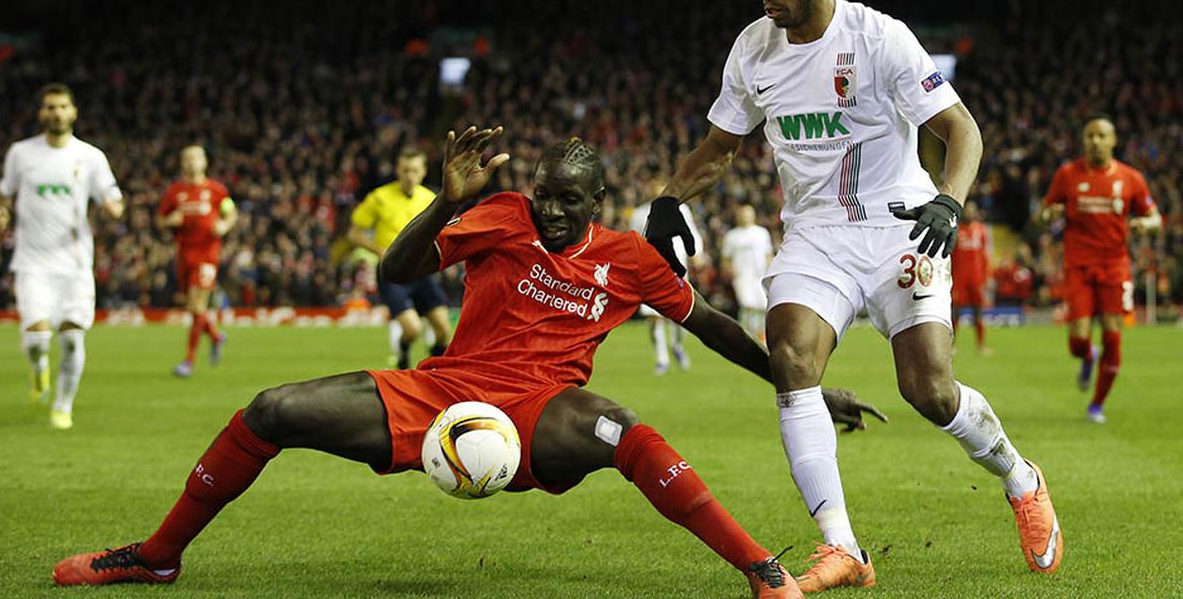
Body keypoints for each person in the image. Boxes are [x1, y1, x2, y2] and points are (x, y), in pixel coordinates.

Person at [51, 128, 885, 598]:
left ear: (596, 204)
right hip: (441, 390)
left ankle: (761, 571)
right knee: (272, 410)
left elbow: (712, 327)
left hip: (542, 408)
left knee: (620, 429)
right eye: (543, 194)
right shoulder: (501, 214)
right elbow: (396, 270)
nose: (549, 210)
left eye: (567, 200)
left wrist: (805, 387)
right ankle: (159, 555)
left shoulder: (629, 259)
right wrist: (446, 203)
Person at [643, 0, 1062, 590]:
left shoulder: (878, 38)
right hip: (816, 236)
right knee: (790, 357)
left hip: (901, 225)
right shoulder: (752, 49)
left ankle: (1020, 477)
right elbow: (720, 147)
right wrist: (667, 199)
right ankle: (842, 547)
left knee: (929, 390)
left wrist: (950, 200)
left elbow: (961, 129)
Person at [0, 83, 124, 429]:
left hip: (75, 264)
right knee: (37, 339)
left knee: (71, 337)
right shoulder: (21, 153)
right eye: (50, 107)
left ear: (73, 112)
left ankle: (63, 406)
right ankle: (39, 370)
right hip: (32, 263)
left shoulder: (90, 156)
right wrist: (1, 212)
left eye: (63, 106)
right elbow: (3, 193)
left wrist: (113, 208)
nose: (57, 113)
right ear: (41, 113)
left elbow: (112, 196)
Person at [1038, 116, 1160, 423]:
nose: (1095, 141)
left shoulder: (1131, 178)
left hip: (1115, 267)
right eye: (1090, 135)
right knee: (1077, 341)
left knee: (1113, 335)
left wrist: (1146, 223)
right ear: (1083, 140)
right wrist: (1050, 214)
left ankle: (1097, 405)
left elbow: (1155, 217)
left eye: (1101, 135)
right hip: (1078, 266)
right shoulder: (1067, 174)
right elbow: (1044, 212)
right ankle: (1088, 355)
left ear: (1113, 140)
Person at [347, 147, 452, 369]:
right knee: (412, 329)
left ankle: (431, 369)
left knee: (444, 330)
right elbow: (354, 234)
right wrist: (379, 250)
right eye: (405, 170)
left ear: (423, 171)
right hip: (393, 272)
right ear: (397, 170)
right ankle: (403, 357)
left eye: (414, 170)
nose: (409, 175)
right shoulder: (379, 197)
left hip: (422, 271)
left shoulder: (430, 199)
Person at [158, 145, 237, 378]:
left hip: (207, 254)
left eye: (196, 158)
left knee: (196, 306)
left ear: (204, 162)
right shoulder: (175, 192)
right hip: (184, 255)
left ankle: (188, 361)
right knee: (194, 308)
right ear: (182, 163)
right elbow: (160, 220)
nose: (192, 162)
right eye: (188, 158)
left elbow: (231, 213)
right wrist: (170, 220)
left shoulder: (216, 190)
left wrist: (224, 225)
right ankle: (215, 336)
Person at [628, 179, 704, 374]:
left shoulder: (680, 209)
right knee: (654, 317)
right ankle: (661, 359)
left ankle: (677, 345)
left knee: (681, 315)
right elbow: (633, 241)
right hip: (649, 271)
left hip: (676, 268)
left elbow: (692, 232)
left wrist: (697, 254)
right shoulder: (639, 214)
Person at [722, 204, 775, 342]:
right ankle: (747, 336)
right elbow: (725, 259)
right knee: (747, 305)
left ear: (753, 215)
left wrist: (772, 271)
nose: (745, 216)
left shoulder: (762, 233)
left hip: (760, 276)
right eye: (742, 213)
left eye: (747, 213)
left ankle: (761, 337)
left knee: (762, 306)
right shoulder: (732, 236)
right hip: (742, 277)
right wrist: (730, 270)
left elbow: (768, 254)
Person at [950, 201, 993, 355]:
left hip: (976, 278)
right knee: (955, 312)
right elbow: (951, 256)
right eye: (967, 210)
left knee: (978, 311)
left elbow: (984, 255)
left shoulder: (980, 230)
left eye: (972, 210)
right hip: (959, 278)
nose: (969, 213)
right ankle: (951, 345)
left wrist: (987, 276)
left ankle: (980, 345)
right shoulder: (956, 230)